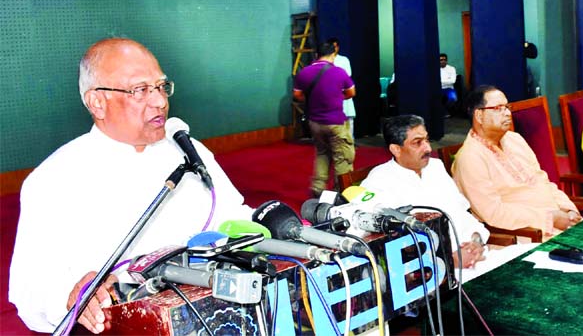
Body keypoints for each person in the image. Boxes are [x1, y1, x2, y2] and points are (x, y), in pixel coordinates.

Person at [9, 39, 254, 334]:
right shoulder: (53, 179)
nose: (160, 101)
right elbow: (30, 291)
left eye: (162, 87)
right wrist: (71, 297)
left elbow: (233, 216)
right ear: (97, 102)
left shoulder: (189, 153)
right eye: (140, 90)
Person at [451, 85, 582, 240]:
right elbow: (494, 213)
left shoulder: (515, 139)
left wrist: (568, 210)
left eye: (507, 107)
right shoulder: (470, 158)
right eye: (498, 108)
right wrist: (549, 218)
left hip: (559, 223)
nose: (507, 113)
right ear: (479, 115)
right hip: (525, 236)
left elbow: (543, 181)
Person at [360, 115, 489, 269]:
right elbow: (388, 249)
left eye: (427, 140)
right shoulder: (378, 182)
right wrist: (448, 261)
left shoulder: (435, 167)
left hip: (475, 258)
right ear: (396, 149)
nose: (428, 148)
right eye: (417, 143)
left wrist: (476, 241)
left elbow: (460, 211)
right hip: (431, 274)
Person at [293, 41, 355, 196]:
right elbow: (351, 92)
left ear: (316, 55)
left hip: (315, 122)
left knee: (322, 153)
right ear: (333, 55)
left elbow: (297, 95)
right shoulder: (339, 72)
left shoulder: (304, 73)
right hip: (336, 122)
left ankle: (318, 188)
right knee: (342, 157)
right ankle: (341, 191)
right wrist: (337, 97)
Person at [328, 37, 356, 139]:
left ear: (338, 47)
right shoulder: (324, 61)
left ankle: (350, 141)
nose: (333, 49)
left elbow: (347, 75)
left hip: (343, 92)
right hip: (330, 95)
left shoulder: (344, 60)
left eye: (335, 46)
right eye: (331, 47)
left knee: (348, 119)